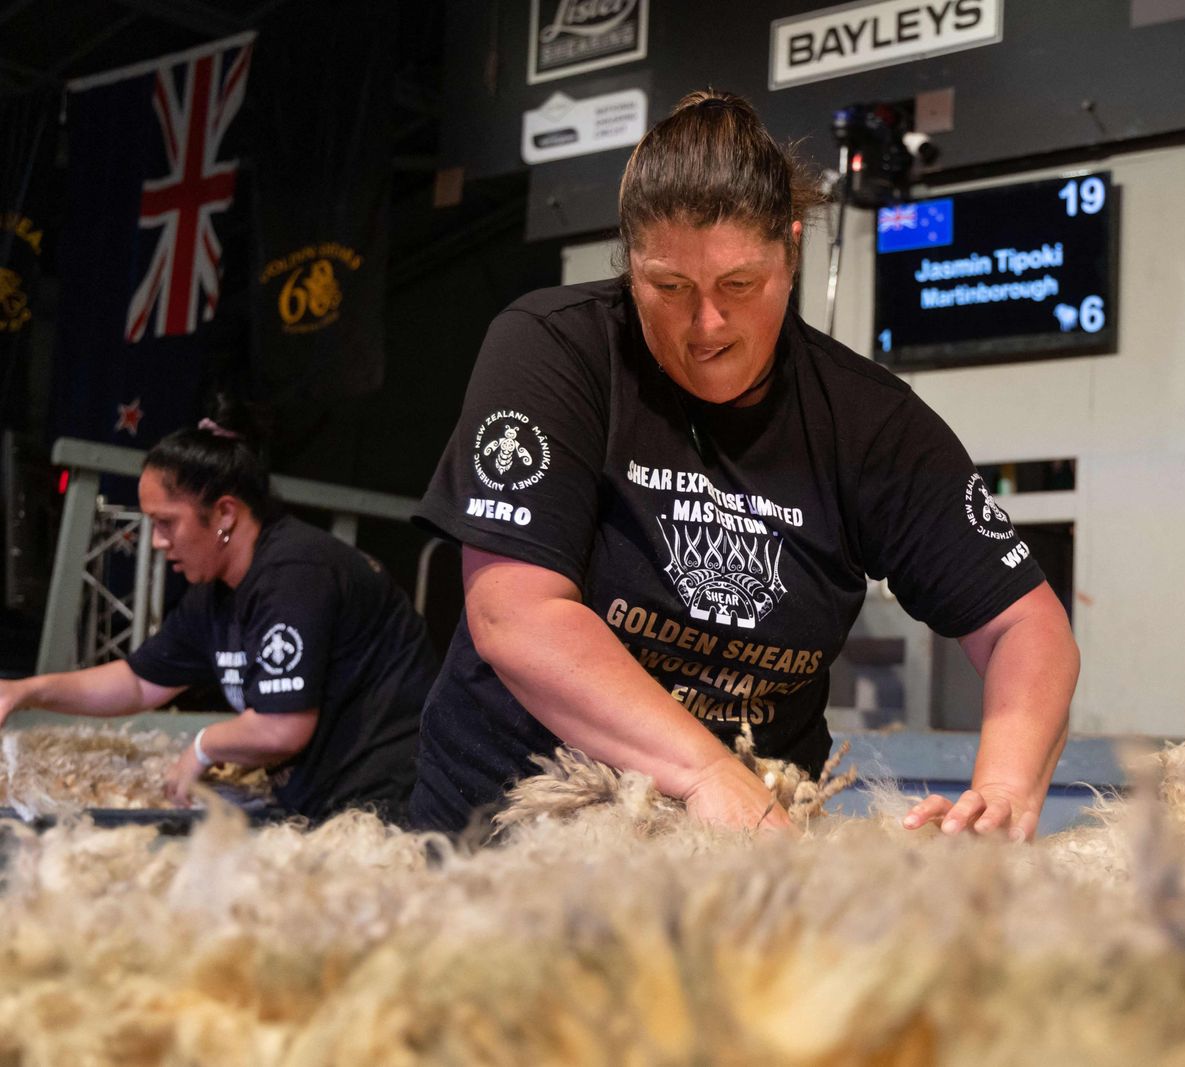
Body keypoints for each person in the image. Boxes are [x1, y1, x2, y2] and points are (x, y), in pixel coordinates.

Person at [410, 90, 1079, 840]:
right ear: (630, 262)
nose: (707, 325)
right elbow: (515, 613)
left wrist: (1004, 788)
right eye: (669, 287)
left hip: (752, 848)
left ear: (791, 253)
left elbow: (1026, 622)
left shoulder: (869, 423)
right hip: (516, 823)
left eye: (739, 285)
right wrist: (702, 768)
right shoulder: (554, 349)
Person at [0, 417, 439, 821]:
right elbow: (137, 682)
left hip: (386, 803)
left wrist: (203, 745)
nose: (157, 542)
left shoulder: (296, 574)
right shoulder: (215, 593)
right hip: (320, 801)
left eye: (167, 523)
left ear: (226, 513)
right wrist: (24, 691)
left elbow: (282, 728)